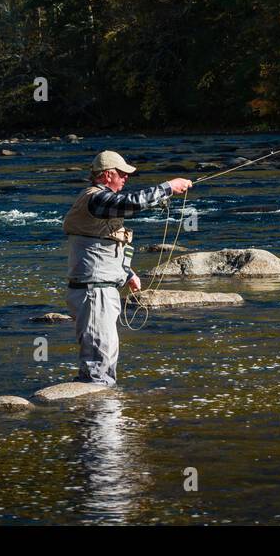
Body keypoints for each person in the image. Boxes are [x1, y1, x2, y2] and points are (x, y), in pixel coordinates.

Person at [62, 150, 192, 384]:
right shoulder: (96, 198)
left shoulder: (100, 202)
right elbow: (130, 204)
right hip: (94, 293)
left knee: (105, 356)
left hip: (100, 290)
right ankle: (98, 414)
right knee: (98, 363)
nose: (126, 178)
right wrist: (168, 187)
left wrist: (127, 273)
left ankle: (101, 412)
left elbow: (101, 242)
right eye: (122, 173)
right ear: (106, 175)